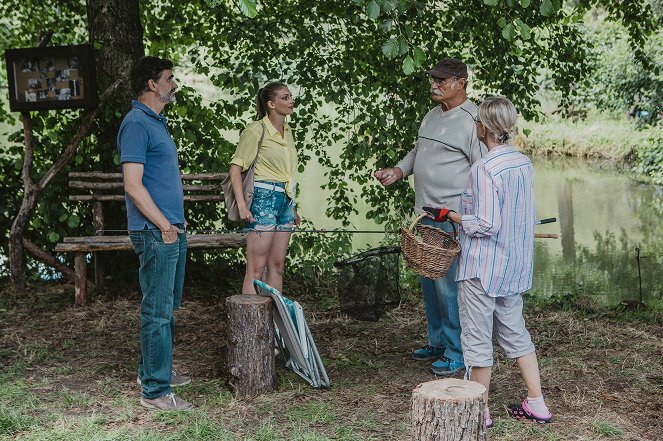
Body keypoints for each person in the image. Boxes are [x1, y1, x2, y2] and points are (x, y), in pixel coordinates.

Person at [430, 96, 553, 427]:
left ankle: (479, 412)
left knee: (476, 341)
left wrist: (451, 215)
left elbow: (485, 223)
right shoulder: (523, 163)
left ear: (482, 126)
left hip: (482, 271)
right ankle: (537, 403)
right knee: (516, 334)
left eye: (476, 122)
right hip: (512, 270)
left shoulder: (483, 168)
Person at [374, 58, 485, 375]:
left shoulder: (473, 119)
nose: (434, 85)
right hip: (424, 213)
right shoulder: (433, 115)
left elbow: (483, 173)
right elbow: (418, 152)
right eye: (433, 79)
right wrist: (398, 171)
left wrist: (471, 216)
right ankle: (437, 341)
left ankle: (457, 351)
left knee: (450, 287)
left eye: (441, 80)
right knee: (430, 283)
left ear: (460, 82)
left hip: (451, 219)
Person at [117, 56, 192, 411]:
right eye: (169, 78)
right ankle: (156, 392)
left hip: (171, 229)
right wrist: (163, 225)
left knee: (168, 307)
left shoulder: (157, 122)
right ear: (151, 84)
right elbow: (133, 185)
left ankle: (155, 369)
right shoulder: (136, 123)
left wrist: (173, 226)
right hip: (155, 230)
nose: (173, 84)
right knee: (157, 312)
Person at [229, 82, 300, 295]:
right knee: (256, 269)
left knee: (277, 266)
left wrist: (293, 207)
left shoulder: (287, 131)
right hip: (263, 200)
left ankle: (272, 324)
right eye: (285, 98)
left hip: (284, 202)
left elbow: (286, 174)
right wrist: (242, 206)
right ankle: (251, 327)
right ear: (271, 104)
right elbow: (235, 169)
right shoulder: (255, 130)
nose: (291, 101)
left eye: (290, 97)